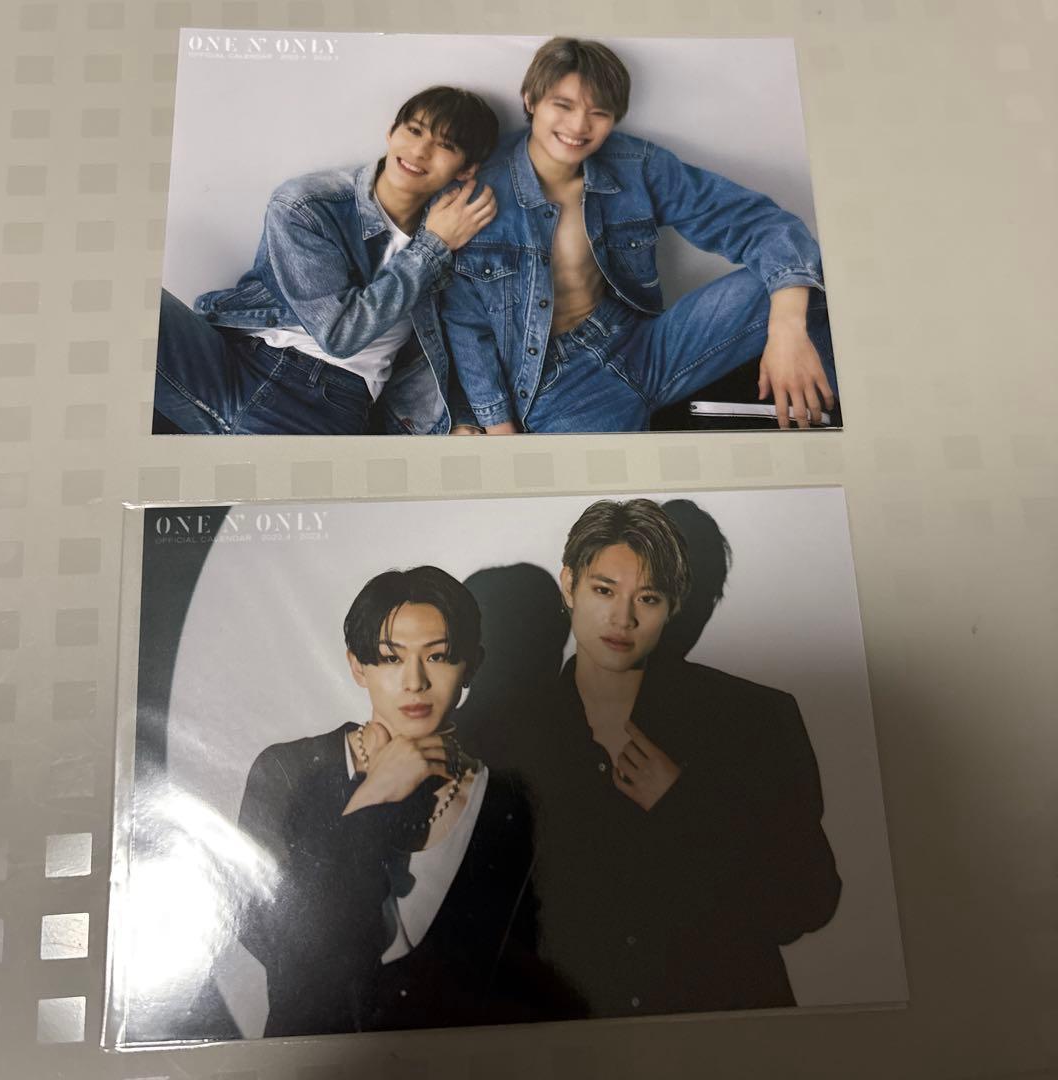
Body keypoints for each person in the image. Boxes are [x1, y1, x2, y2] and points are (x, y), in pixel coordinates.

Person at [531, 499, 842, 1017]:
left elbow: (806, 904)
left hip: (723, 1030)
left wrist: (685, 803)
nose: (623, 618)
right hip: (571, 1038)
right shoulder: (505, 734)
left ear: (674, 605)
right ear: (569, 585)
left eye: (647, 598)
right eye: (604, 590)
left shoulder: (753, 719)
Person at [439, 38, 837, 434]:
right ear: (530, 100)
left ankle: (834, 420)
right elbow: (465, 324)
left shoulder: (634, 165)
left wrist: (787, 330)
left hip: (643, 343)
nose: (579, 126)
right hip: (559, 386)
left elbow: (758, 223)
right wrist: (500, 431)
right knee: (620, 475)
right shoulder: (475, 194)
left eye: (599, 112)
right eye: (563, 106)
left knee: (804, 283)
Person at [235, 567, 540, 1036]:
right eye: (390, 658)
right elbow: (283, 948)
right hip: (318, 1059)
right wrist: (373, 795)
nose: (414, 681)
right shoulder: (287, 771)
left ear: (470, 665)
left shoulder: (506, 801)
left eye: (437, 656)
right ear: (358, 666)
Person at [154, 86, 499, 435]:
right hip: (241, 358)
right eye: (414, 130)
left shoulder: (455, 233)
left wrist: (463, 418)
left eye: (445, 146)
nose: (420, 151)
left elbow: (458, 344)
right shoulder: (307, 204)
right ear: (391, 132)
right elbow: (338, 332)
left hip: (321, 402)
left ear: (466, 170)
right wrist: (432, 248)